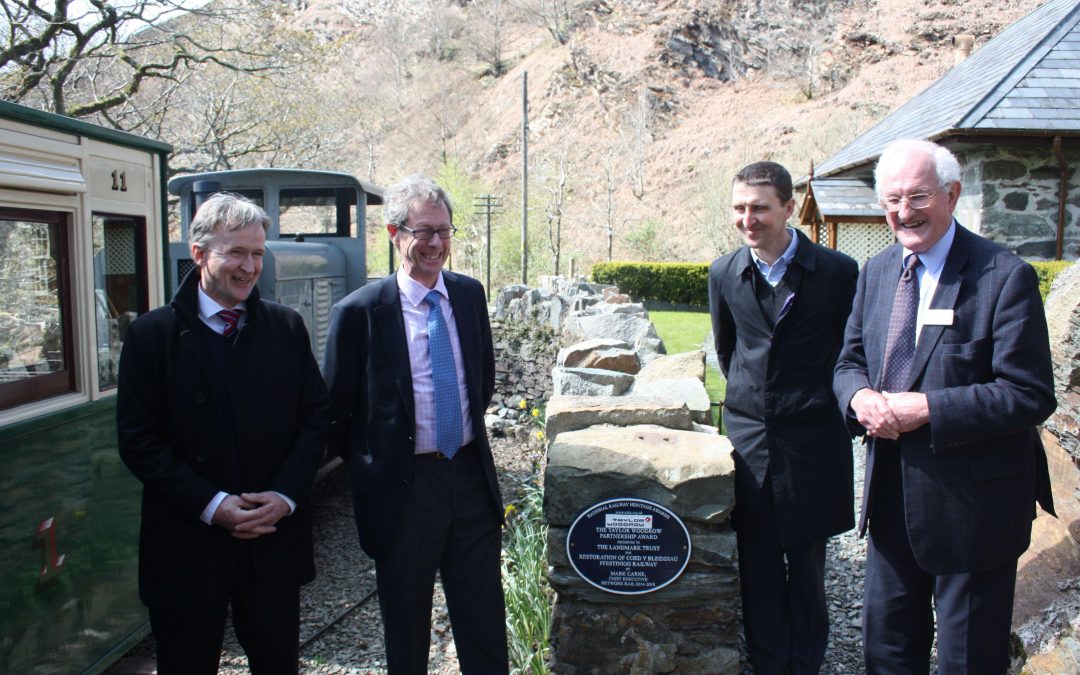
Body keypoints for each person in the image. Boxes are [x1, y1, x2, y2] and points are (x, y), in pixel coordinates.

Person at [834, 138, 1057, 673]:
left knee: (968, 661)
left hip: (973, 512)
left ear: (952, 194)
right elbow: (848, 364)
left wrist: (927, 408)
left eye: (918, 197)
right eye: (892, 200)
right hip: (890, 503)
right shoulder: (879, 271)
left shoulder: (1003, 276)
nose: (903, 212)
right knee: (887, 653)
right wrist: (860, 397)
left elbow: (1028, 393)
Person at [117, 193, 330, 675]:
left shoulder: (285, 328)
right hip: (186, 550)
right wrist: (214, 507)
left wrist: (285, 495)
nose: (249, 266)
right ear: (198, 254)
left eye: (257, 253)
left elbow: (316, 417)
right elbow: (138, 441)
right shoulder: (153, 336)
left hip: (271, 544)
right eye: (235, 252)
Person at [323, 175, 508, 674]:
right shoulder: (359, 312)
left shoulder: (469, 296)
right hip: (403, 488)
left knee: (484, 621)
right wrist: (374, 466)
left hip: (468, 477)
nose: (435, 244)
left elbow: (481, 380)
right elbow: (336, 413)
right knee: (406, 629)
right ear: (393, 233)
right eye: (423, 231)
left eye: (444, 232)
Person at [708, 161, 858, 674]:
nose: (747, 219)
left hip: (814, 439)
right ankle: (770, 662)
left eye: (759, 208)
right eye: (738, 208)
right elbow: (728, 353)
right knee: (758, 562)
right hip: (750, 439)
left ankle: (807, 662)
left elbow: (850, 352)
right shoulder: (725, 272)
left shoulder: (838, 273)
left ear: (789, 209)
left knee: (809, 564)